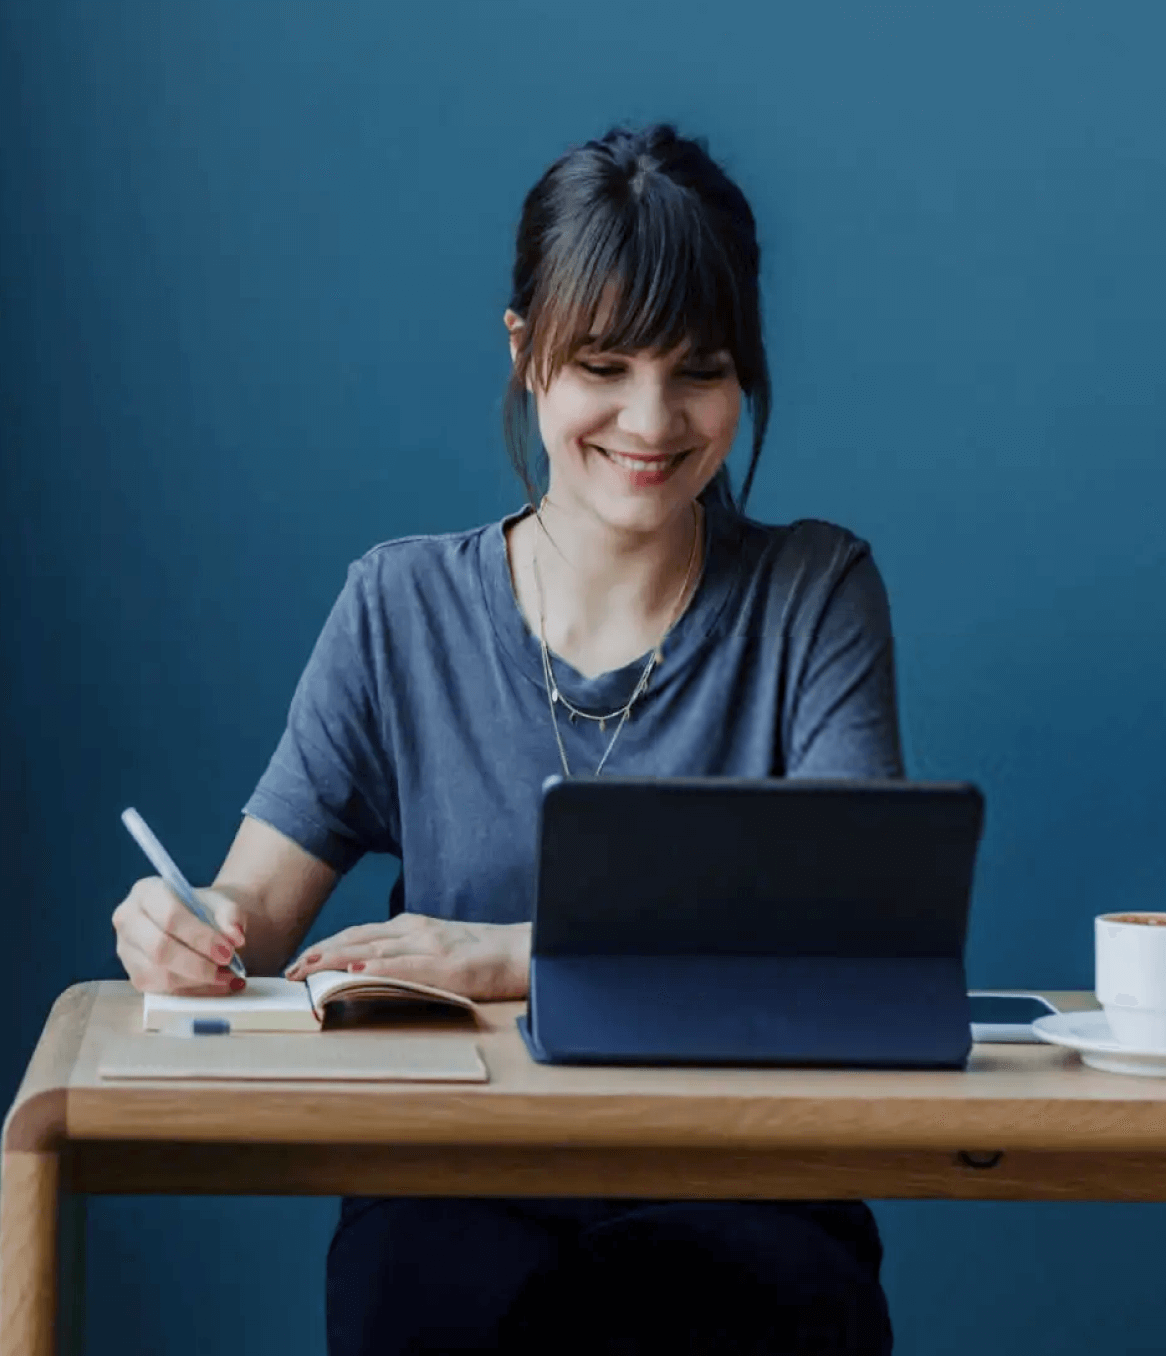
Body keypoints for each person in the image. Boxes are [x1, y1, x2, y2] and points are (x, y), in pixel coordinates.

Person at [112, 123, 901, 1354]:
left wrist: (507, 956)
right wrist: (184, 928)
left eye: (698, 369)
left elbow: (851, 932)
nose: (652, 420)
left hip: (746, 1189)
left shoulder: (814, 592)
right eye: (603, 363)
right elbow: (252, 913)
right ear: (525, 351)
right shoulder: (399, 606)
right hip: (448, 1183)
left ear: (743, 375)